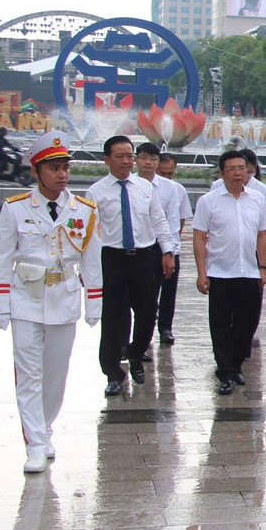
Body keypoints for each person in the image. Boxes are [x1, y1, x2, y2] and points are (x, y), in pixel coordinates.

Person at [0, 131, 102, 473]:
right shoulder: (15, 208)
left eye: (65, 167)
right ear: (37, 171)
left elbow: (91, 259)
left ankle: (45, 427)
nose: (62, 174)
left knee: (55, 374)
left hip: (63, 299)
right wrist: (1, 306)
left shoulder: (82, 210)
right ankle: (36, 444)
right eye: (54, 168)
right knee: (28, 373)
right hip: (25, 298)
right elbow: (1, 258)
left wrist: (94, 303)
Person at [87, 136, 175, 396]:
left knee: (148, 313)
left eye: (130, 155)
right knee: (112, 318)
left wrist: (167, 251)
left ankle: (136, 354)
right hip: (111, 258)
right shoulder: (96, 192)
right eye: (120, 156)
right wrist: (88, 269)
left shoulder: (145, 187)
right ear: (107, 160)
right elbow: (90, 233)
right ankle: (113, 372)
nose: (127, 161)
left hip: (143, 257)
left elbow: (159, 221)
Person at [192, 150, 266, 395]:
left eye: (243, 168)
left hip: (249, 272)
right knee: (220, 324)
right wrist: (201, 272)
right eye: (233, 169)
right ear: (222, 173)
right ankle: (225, 371)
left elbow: (262, 234)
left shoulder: (258, 198)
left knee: (248, 322)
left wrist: (263, 267)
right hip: (219, 273)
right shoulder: (209, 201)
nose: (239, 173)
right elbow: (199, 237)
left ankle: (235, 364)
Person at [150, 150, 192, 346]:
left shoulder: (178, 190)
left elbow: (180, 220)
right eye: (163, 173)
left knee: (169, 289)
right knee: (148, 292)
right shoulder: (143, 187)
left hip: (170, 247)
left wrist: (173, 246)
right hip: (148, 247)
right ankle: (145, 328)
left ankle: (165, 327)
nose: (167, 177)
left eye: (170, 173)